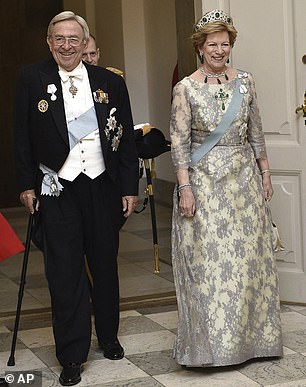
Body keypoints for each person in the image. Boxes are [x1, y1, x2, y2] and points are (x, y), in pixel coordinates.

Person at [14, 11, 139, 386]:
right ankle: (71, 353)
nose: (67, 46)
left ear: (85, 44)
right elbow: (21, 135)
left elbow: (127, 140)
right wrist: (25, 185)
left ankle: (109, 335)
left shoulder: (109, 82)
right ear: (49, 42)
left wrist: (129, 187)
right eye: (59, 39)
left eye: (74, 39)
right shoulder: (31, 78)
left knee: (104, 265)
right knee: (64, 273)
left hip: (101, 186)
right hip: (58, 188)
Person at [170, 9, 283, 367]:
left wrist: (265, 173)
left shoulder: (245, 82)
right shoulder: (185, 88)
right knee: (211, 265)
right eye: (212, 44)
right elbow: (179, 143)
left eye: (224, 44)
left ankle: (254, 344)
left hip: (244, 183)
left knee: (248, 262)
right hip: (205, 186)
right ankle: (211, 349)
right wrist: (185, 187)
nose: (219, 50)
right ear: (200, 48)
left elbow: (256, 130)